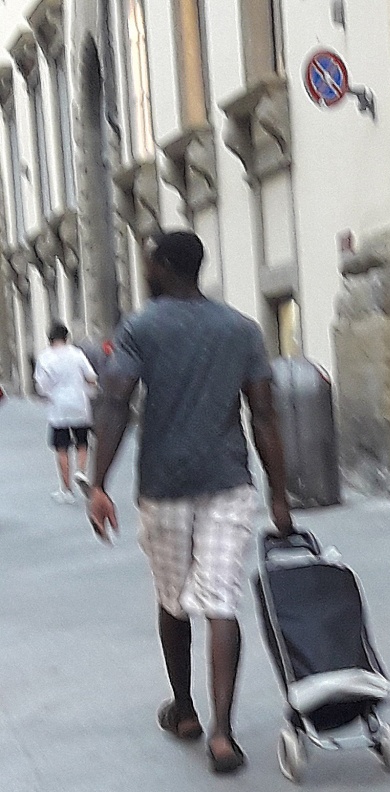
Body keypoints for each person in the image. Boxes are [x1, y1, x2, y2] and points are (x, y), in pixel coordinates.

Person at [88, 230, 294, 775]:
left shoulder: (139, 327)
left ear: (160, 266)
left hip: (164, 486)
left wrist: (96, 483)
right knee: (220, 601)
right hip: (229, 482)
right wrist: (280, 495)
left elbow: (114, 404)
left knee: (173, 600)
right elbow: (265, 417)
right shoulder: (242, 329)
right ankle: (223, 735)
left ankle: (185, 710)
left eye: (148, 259)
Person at [33, 322, 97, 503]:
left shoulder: (45, 358)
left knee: (61, 448)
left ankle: (66, 490)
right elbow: (91, 377)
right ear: (67, 337)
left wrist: (47, 395)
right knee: (82, 442)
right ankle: (81, 472)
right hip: (79, 404)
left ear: (50, 339)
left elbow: (42, 386)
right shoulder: (77, 354)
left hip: (58, 407)